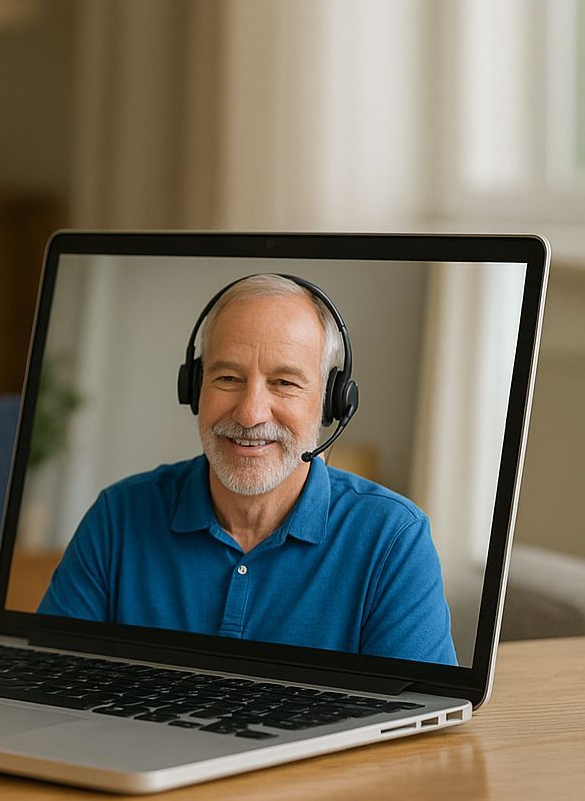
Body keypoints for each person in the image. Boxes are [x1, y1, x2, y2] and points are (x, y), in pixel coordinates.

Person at [36, 274, 457, 665]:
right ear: (195, 386)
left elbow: (416, 729)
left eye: (285, 383)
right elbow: (48, 684)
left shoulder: (393, 539)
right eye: (228, 378)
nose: (251, 413)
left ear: (332, 404)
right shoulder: (119, 516)